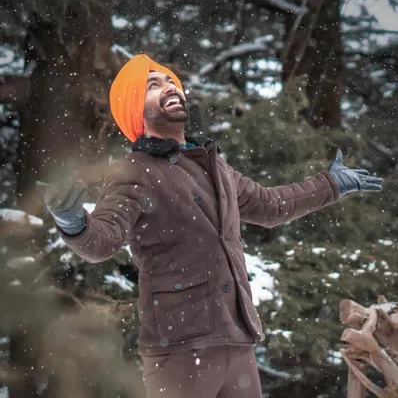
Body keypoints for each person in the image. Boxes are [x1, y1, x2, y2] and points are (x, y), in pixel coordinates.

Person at [36, 54, 383, 398]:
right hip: (181, 348)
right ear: (135, 111)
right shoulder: (134, 171)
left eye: (170, 80)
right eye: (152, 86)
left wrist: (332, 184)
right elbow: (104, 240)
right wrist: (74, 223)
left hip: (237, 339)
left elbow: (271, 206)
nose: (169, 87)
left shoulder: (215, 167)